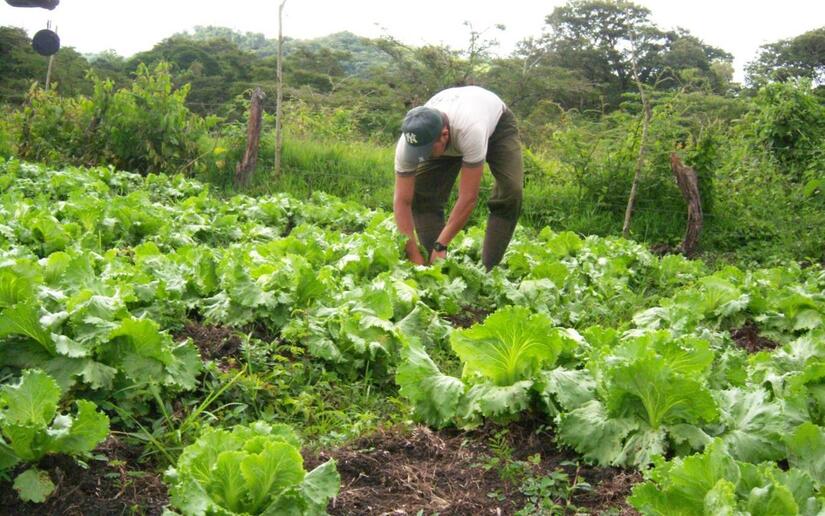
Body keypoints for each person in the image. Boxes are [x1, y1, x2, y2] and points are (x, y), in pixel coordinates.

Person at [393, 85, 523, 270]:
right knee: (422, 195)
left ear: (444, 135)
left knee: (511, 191)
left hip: (496, 125)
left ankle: (489, 269)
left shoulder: (469, 130)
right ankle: (435, 267)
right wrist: (413, 255)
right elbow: (401, 202)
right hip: (449, 132)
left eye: (427, 151)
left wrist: (442, 244)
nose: (424, 156)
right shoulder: (409, 144)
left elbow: (468, 198)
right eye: (418, 152)